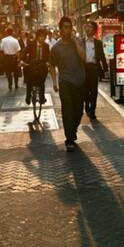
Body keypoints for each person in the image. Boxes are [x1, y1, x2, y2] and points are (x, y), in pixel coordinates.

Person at [49, 16, 86, 152]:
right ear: (60, 30)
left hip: (79, 82)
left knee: (79, 111)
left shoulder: (78, 42)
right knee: (67, 111)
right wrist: (54, 82)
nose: (68, 30)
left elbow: (84, 57)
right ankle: (69, 139)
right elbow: (52, 66)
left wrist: (75, 43)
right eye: (65, 27)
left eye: (70, 27)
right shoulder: (56, 48)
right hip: (65, 82)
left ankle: (73, 130)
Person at [22, 28, 57, 105]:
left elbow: (48, 57)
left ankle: (42, 97)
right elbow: (24, 52)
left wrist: (48, 62)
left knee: (41, 82)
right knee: (29, 81)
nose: (43, 38)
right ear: (37, 37)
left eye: (44, 36)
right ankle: (28, 96)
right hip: (32, 64)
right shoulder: (31, 44)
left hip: (42, 65)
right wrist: (22, 61)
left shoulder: (46, 46)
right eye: (41, 36)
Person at [82, 21, 108, 119]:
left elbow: (102, 56)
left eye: (90, 27)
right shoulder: (81, 42)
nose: (87, 29)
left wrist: (105, 68)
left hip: (93, 69)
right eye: (86, 26)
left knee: (94, 91)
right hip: (83, 69)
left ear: (94, 31)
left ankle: (92, 110)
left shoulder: (98, 43)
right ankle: (87, 105)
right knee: (85, 90)